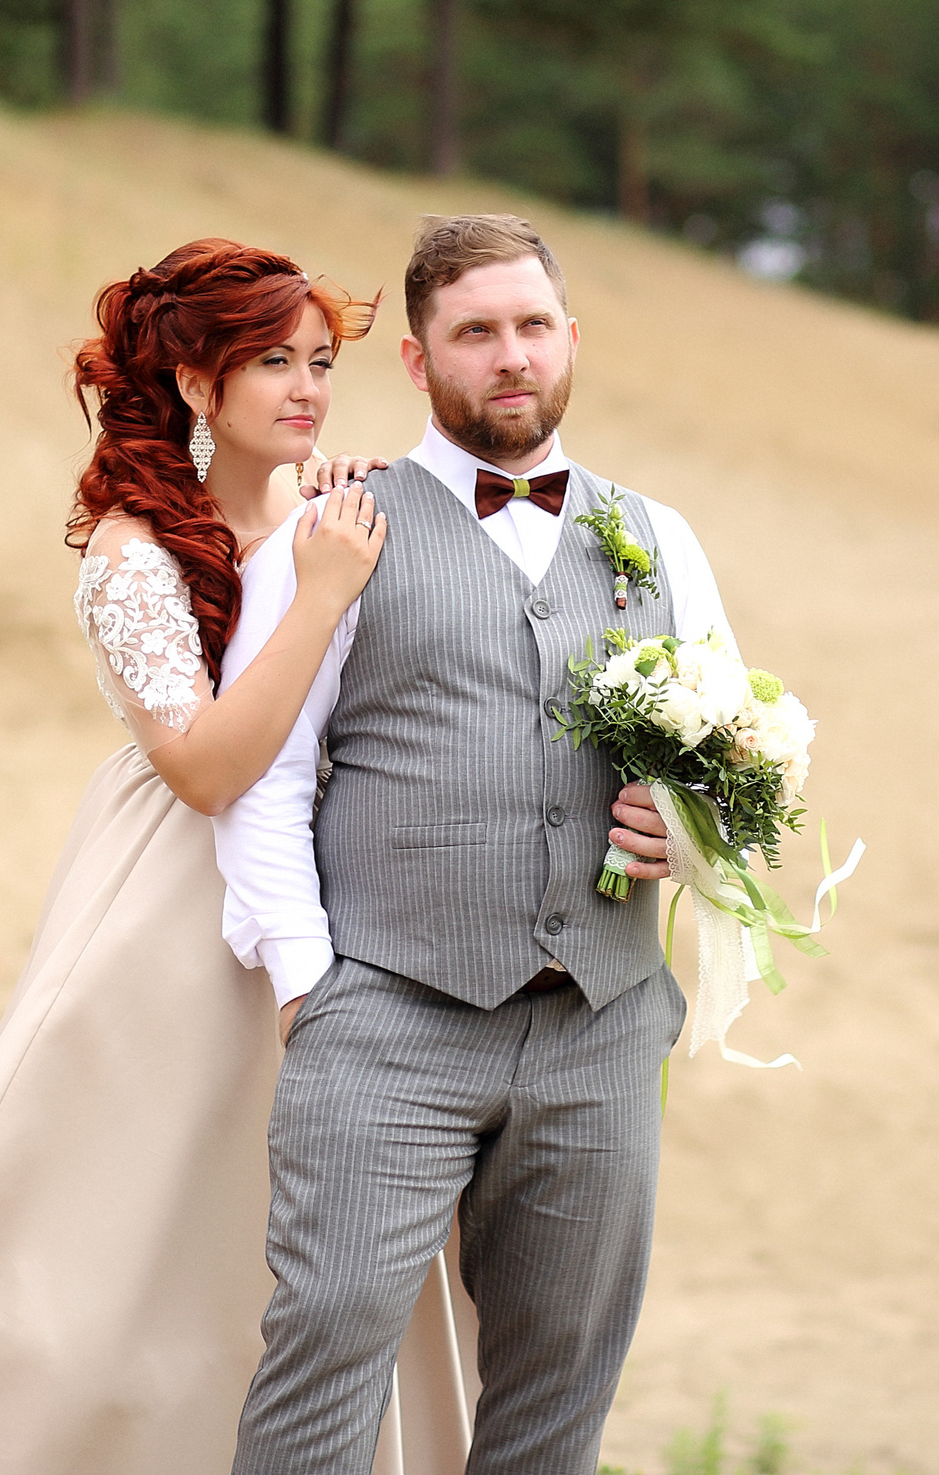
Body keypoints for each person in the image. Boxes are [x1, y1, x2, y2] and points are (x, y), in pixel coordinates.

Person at [0, 238, 474, 1475]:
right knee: (111, 1216)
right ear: (192, 384)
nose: (306, 387)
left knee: (325, 1230)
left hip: (344, 884)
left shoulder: (330, 504)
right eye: (269, 360)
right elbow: (208, 769)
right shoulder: (135, 552)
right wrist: (319, 592)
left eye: (319, 361)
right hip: (174, 902)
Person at [215, 213, 739, 1474]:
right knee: (326, 1348)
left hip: (602, 1024)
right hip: (387, 1014)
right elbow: (265, 778)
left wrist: (682, 823)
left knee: (563, 1382)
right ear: (417, 360)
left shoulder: (658, 537)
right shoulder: (338, 530)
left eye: (533, 327)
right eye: (476, 333)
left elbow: (727, 759)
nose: (511, 357)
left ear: (569, 339)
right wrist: (306, 983)